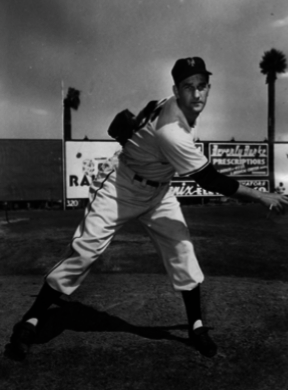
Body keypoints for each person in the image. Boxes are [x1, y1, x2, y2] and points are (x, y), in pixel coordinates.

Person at [6, 57, 288, 361]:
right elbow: (209, 179)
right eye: (188, 87)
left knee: (182, 252)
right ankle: (31, 320)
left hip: (159, 194)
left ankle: (196, 325)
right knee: (85, 253)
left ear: (208, 88)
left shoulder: (171, 105)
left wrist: (138, 131)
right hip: (121, 189)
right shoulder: (172, 131)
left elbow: (149, 108)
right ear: (176, 90)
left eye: (202, 86)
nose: (196, 94)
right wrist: (262, 196)